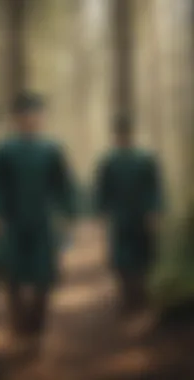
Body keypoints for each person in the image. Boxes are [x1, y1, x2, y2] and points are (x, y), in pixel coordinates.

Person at [0, 91, 77, 351]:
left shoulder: (52, 149)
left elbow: (63, 184)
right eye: (24, 115)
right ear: (15, 119)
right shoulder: (4, 150)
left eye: (35, 114)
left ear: (42, 118)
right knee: (13, 273)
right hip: (14, 219)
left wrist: (68, 214)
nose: (30, 119)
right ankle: (18, 324)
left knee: (44, 274)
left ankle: (37, 325)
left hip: (43, 220)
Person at [93, 114, 163, 315]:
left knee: (144, 257)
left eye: (126, 132)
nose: (123, 136)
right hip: (120, 217)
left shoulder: (145, 159)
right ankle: (127, 298)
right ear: (116, 135)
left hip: (142, 215)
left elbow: (154, 188)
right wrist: (102, 213)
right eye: (120, 133)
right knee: (121, 260)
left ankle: (141, 298)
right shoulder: (109, 162)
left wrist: (154, 211)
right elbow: (102, 190)